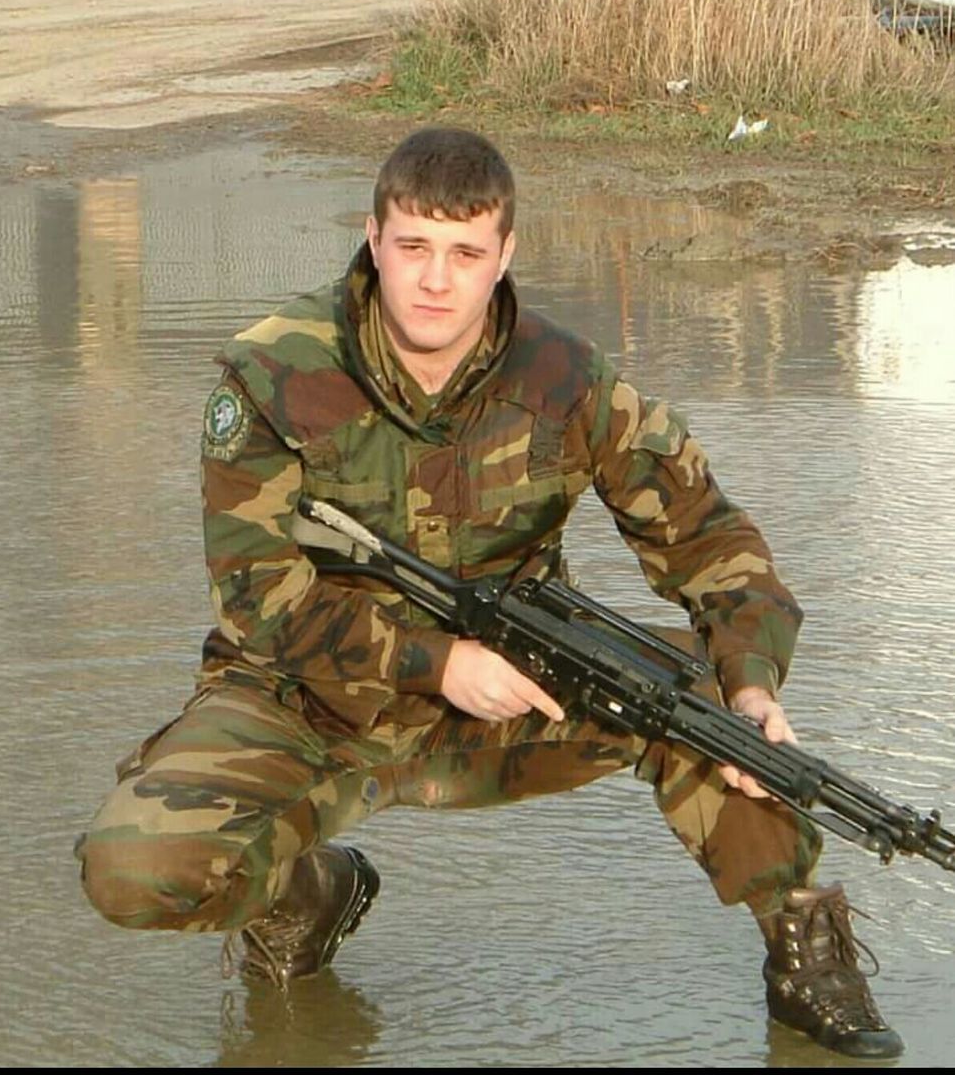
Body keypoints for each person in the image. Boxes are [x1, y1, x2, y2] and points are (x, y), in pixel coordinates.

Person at [76, 126, 902, 1059]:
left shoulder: (567, 380)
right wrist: (439, 661)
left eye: (465, 253)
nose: (436, 280)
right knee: (135, 869)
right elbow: (259, 598)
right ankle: (307, 894)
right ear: (374, 237)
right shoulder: (271, 375)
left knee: (716, 723)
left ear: (504, 255)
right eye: (415, 247)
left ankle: (803, 957)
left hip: (518, 693)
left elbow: (707, 537)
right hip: (306, 695)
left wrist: (752, 684)